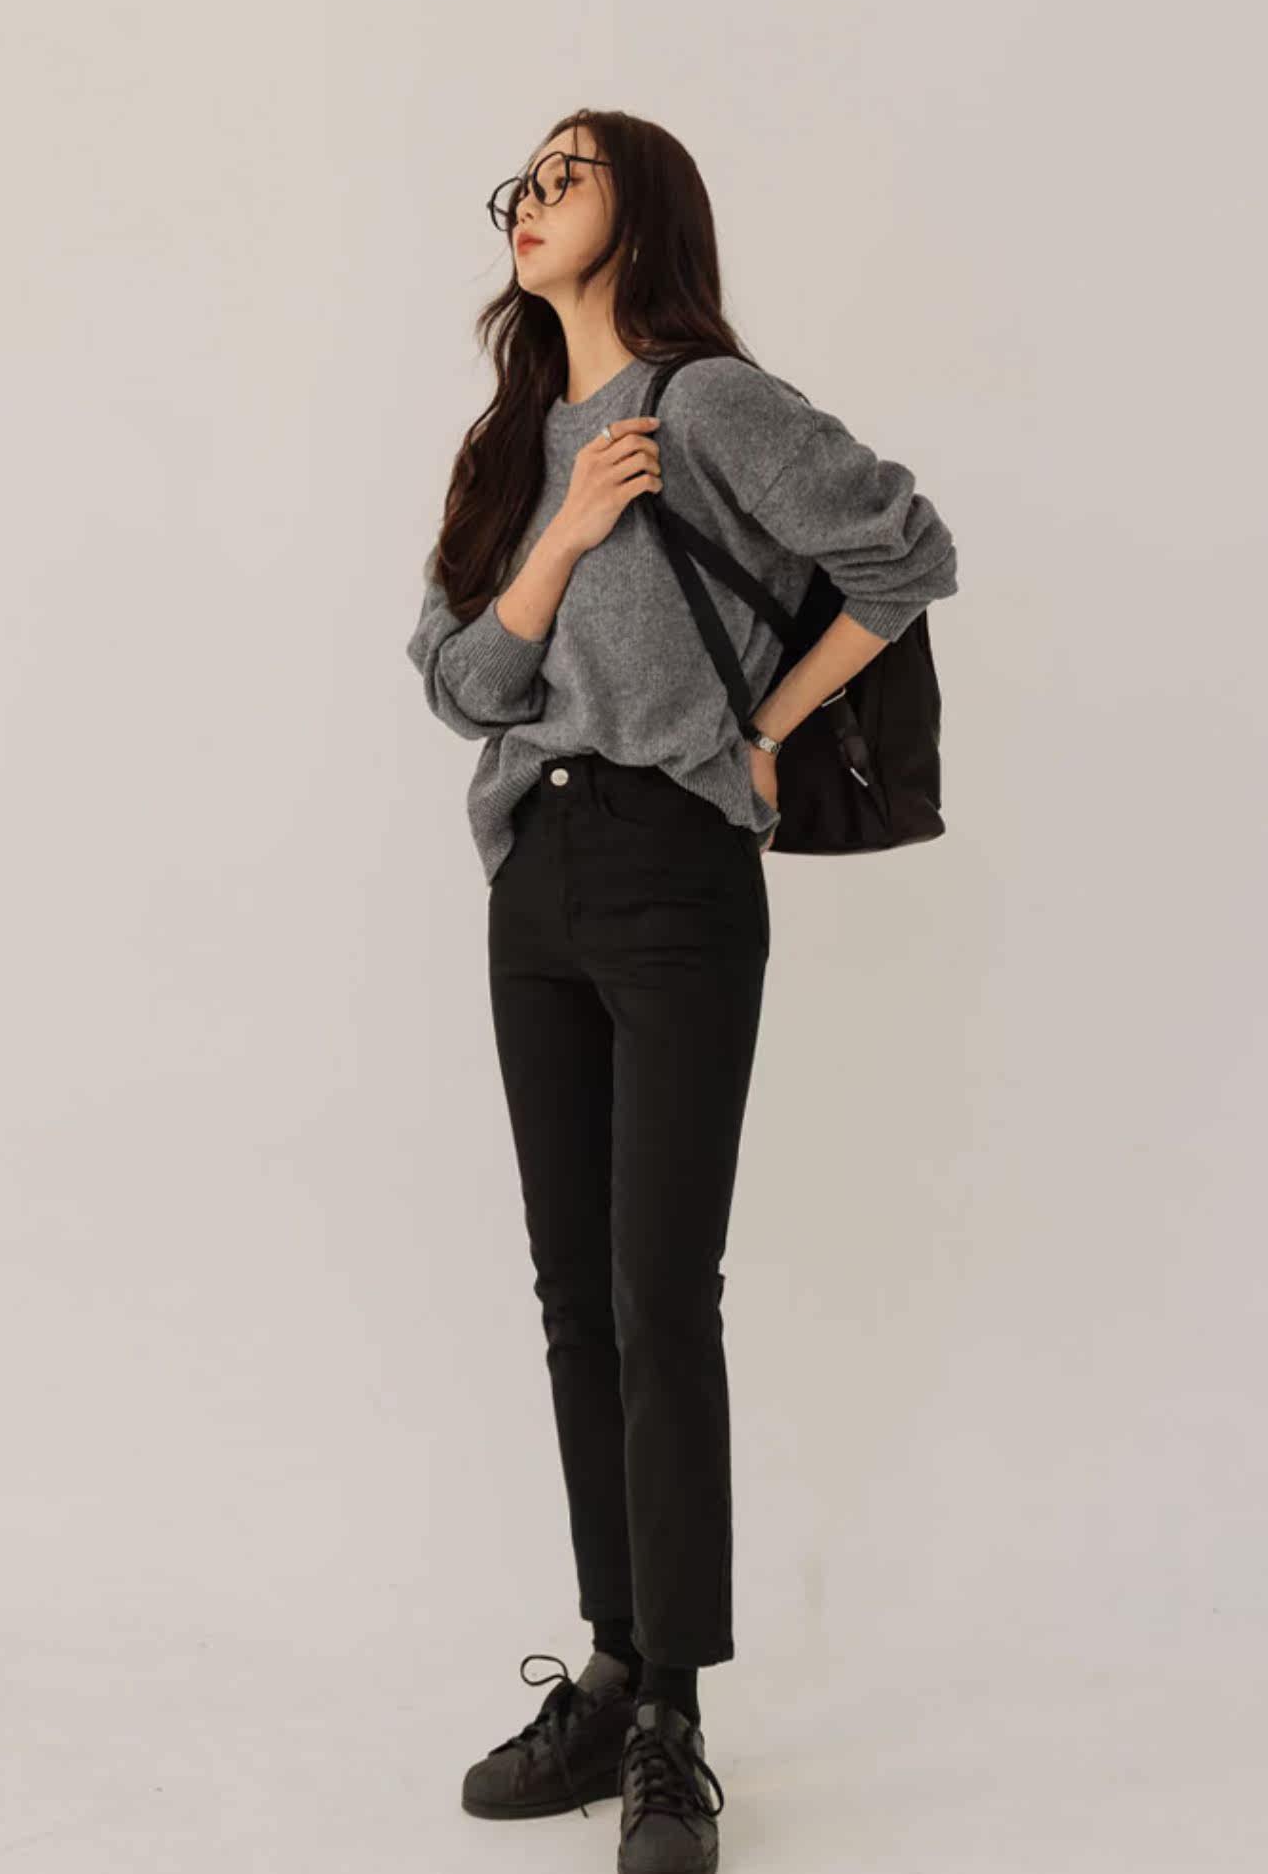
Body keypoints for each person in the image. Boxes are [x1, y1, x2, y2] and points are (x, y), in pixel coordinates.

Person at [405, 108, 958, 1874]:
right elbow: (459, 681)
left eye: (569, 171)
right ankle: (611, 1662)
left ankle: (672, 1726)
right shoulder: (516, 444)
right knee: (575, 1294)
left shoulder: (707, 404)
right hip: (536, 879)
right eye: (524, 176)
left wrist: (765, 726)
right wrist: (565, 534)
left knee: (660, 1294)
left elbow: (908, 548)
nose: (531, 196)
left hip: (674, 867)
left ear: (641, 211)